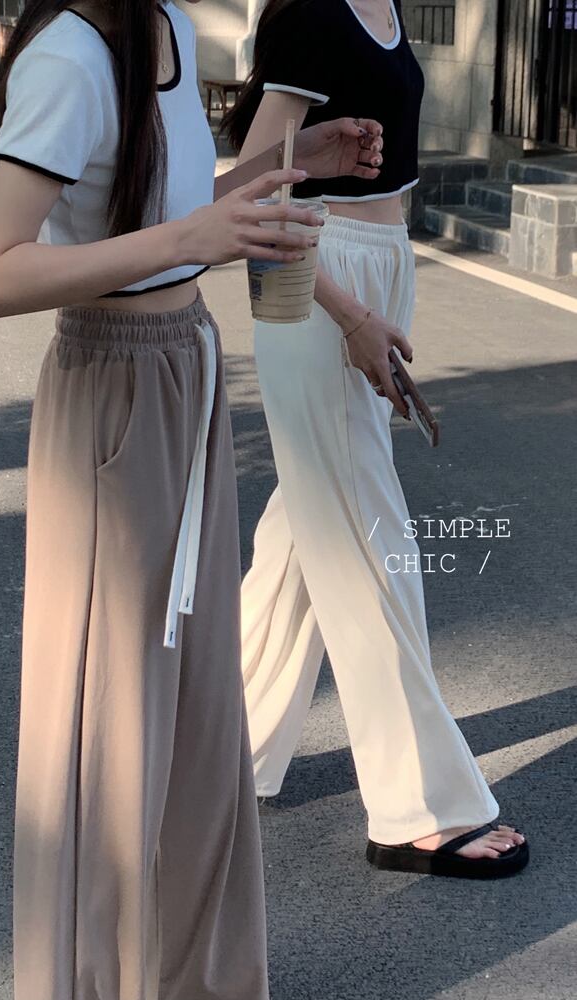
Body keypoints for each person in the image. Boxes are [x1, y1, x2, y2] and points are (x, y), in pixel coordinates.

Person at [0, 0, 385, 995]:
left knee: (201, 723)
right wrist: (193, 235)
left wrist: (290, 161)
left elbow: (168, 212)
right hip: (113, 390)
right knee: (107, 740)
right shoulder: (72, 54)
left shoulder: (170, 29)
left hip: (187, 368)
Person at [223, 0, 529, 879]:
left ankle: (220, 745)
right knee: (366, 532)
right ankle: (419, 807)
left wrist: (379, 295)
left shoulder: (384, 4)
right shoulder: (310, 13)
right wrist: (352, 314)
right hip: (313, 272)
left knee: (308, 523)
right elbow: (253, 187)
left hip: (380, 264)